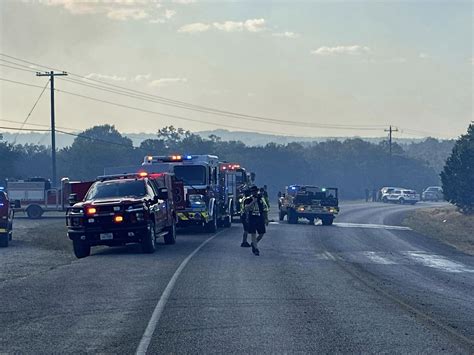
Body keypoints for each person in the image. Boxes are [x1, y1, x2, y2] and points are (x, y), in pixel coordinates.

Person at [245, 185, 269, 256]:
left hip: (260, 217)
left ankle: (254, 243)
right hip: (252, 217)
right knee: (253, 233)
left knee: (261, 233)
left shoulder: (261, 199)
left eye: (255, 191)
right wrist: (253, 202)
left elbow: (265, 209)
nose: (254, 193)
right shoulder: (248, 199)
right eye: (253, 192)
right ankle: (256, 249)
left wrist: (266, 219)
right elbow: (246, 208)